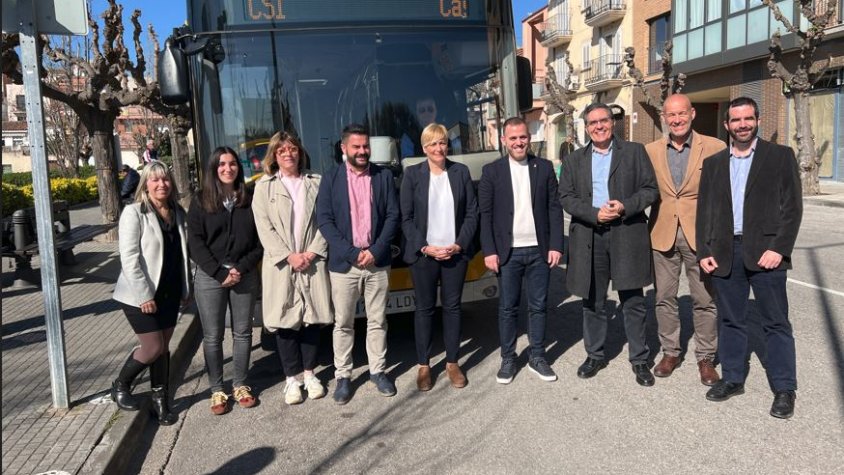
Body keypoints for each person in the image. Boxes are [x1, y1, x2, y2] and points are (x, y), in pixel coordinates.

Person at [696, 97, 802, 419]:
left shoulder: (780, 156)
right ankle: (732, 378)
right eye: (736, 120)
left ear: (757, 120)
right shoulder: (714, 164)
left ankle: (784, 388)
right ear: (726, 125)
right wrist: (704, 251)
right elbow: (705, 213)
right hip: (726, 252)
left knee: (776, 323)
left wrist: (779, 248)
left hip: (768, 254)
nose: (742, 124)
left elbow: (792, 209)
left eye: (748, 119)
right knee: (730, 320)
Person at [559, 103, 659, 387]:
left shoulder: (635, 152)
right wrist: (594, 213)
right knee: (593, 301)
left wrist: (625, 206)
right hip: (591, 235)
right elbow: (565, 196)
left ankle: (640, 359)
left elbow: (650, 189)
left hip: (626, 232)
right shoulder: (574, 159)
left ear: (612, 122)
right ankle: (595, 354)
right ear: (586, 127)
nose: (599, 126)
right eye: (592, 123)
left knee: (633, 301)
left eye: (603, 120)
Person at [645, 94, 726, 386]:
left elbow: (724, 197)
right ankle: (670, 352)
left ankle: (706, 357)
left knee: (704, 299)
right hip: (661, 234)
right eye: (670, 115)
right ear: (664, 118)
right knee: (664, 298)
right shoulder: (650, 151)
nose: (676, 120)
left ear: (692, 114)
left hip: (701, 237)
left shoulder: (716, 147)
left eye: (681, 114)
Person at [316, 124, 400, 404]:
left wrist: (375, 250)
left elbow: (392, 216)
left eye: (365, 146)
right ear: (344, 148)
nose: (363, 151)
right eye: (357, 147)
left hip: (377, 262)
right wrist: (352, 253)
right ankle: (343, 375)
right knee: (343, 323)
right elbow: (325, 221)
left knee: (378, 320)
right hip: (345, 264)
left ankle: (378, 371)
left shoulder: (384, 176)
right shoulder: (330, 179)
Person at [478, 117, 563, 385]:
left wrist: (556, 245)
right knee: (508, 308)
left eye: (522, 137)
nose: (518, 142)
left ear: (529, 138)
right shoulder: (492, 171)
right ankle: (508, 358)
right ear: (504, 141)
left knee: (538, 306)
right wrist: (489, 251)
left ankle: (537, 357)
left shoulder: (544, 167)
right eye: (513, 138)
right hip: (508, 253)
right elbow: (486, 215)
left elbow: (554, 208)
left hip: (539, 251)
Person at [252, 132, 333, 406]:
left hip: (311, 260)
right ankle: (291, 379)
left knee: (311, 318)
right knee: (286, 320)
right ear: (274, 155)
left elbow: (326, 220)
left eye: (292, 149)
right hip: (281, 265)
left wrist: (311, 252)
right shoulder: (264, 187)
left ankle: (310, 374)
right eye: (282, 150)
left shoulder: (317, 182)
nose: (288, 154)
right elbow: (264, 228)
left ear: (300, 152)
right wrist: (289, 256)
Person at [111, 161, 190, 426]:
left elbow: (182, 255)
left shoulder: (178, 212)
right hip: (139, 295)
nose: (161, 184)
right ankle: (121, 385)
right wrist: (144, 295)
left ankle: (160, 400)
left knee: (164, 348)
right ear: (145, 184)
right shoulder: (134, 213)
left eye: (166, 179)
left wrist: (185, 288)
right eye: (155, 180)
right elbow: (130, 258)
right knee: (153, 346)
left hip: (169, 292)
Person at [400, 123, 478, 391]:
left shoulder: (460, 172)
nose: (438, 148)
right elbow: (406, 219)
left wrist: (459, 245)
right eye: (432, 144)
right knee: (424, 309)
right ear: (424, 148)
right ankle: (424, 365)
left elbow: (471, 213)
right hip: (425, 255)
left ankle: (453, 363)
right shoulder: (412, 175)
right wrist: (424, 246)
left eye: (442, 142)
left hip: (454, 254)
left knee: (453, 308)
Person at [187, 147, 263, 415]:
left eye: (232, 164)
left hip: (244, 274)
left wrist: (240, 269)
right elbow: (195, 242)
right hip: (210, 277)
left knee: (243, 333)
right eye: (222, 164)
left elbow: (258, 242)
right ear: (213, 168)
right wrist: (220, 273)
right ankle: (217, 388)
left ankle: (241, 384)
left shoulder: (249, 199)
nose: (227, 168)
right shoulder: (200, 200)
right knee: (213, 336)